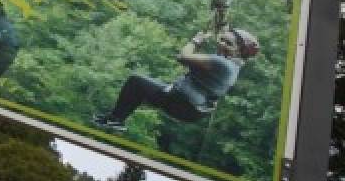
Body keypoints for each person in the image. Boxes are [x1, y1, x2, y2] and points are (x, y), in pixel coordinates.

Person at [93, 27, 260, 131]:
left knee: (135, 81)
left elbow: (183, 56)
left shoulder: (221, 63)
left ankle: (116, 119)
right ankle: (116, 118)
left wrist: (197, 40)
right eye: (221, 41)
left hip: (181, 102)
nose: (221, 44)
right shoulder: (233, 65)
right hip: (191, 108)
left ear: (239, 51)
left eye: (228, 44)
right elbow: (223, 30)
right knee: (144, 88)